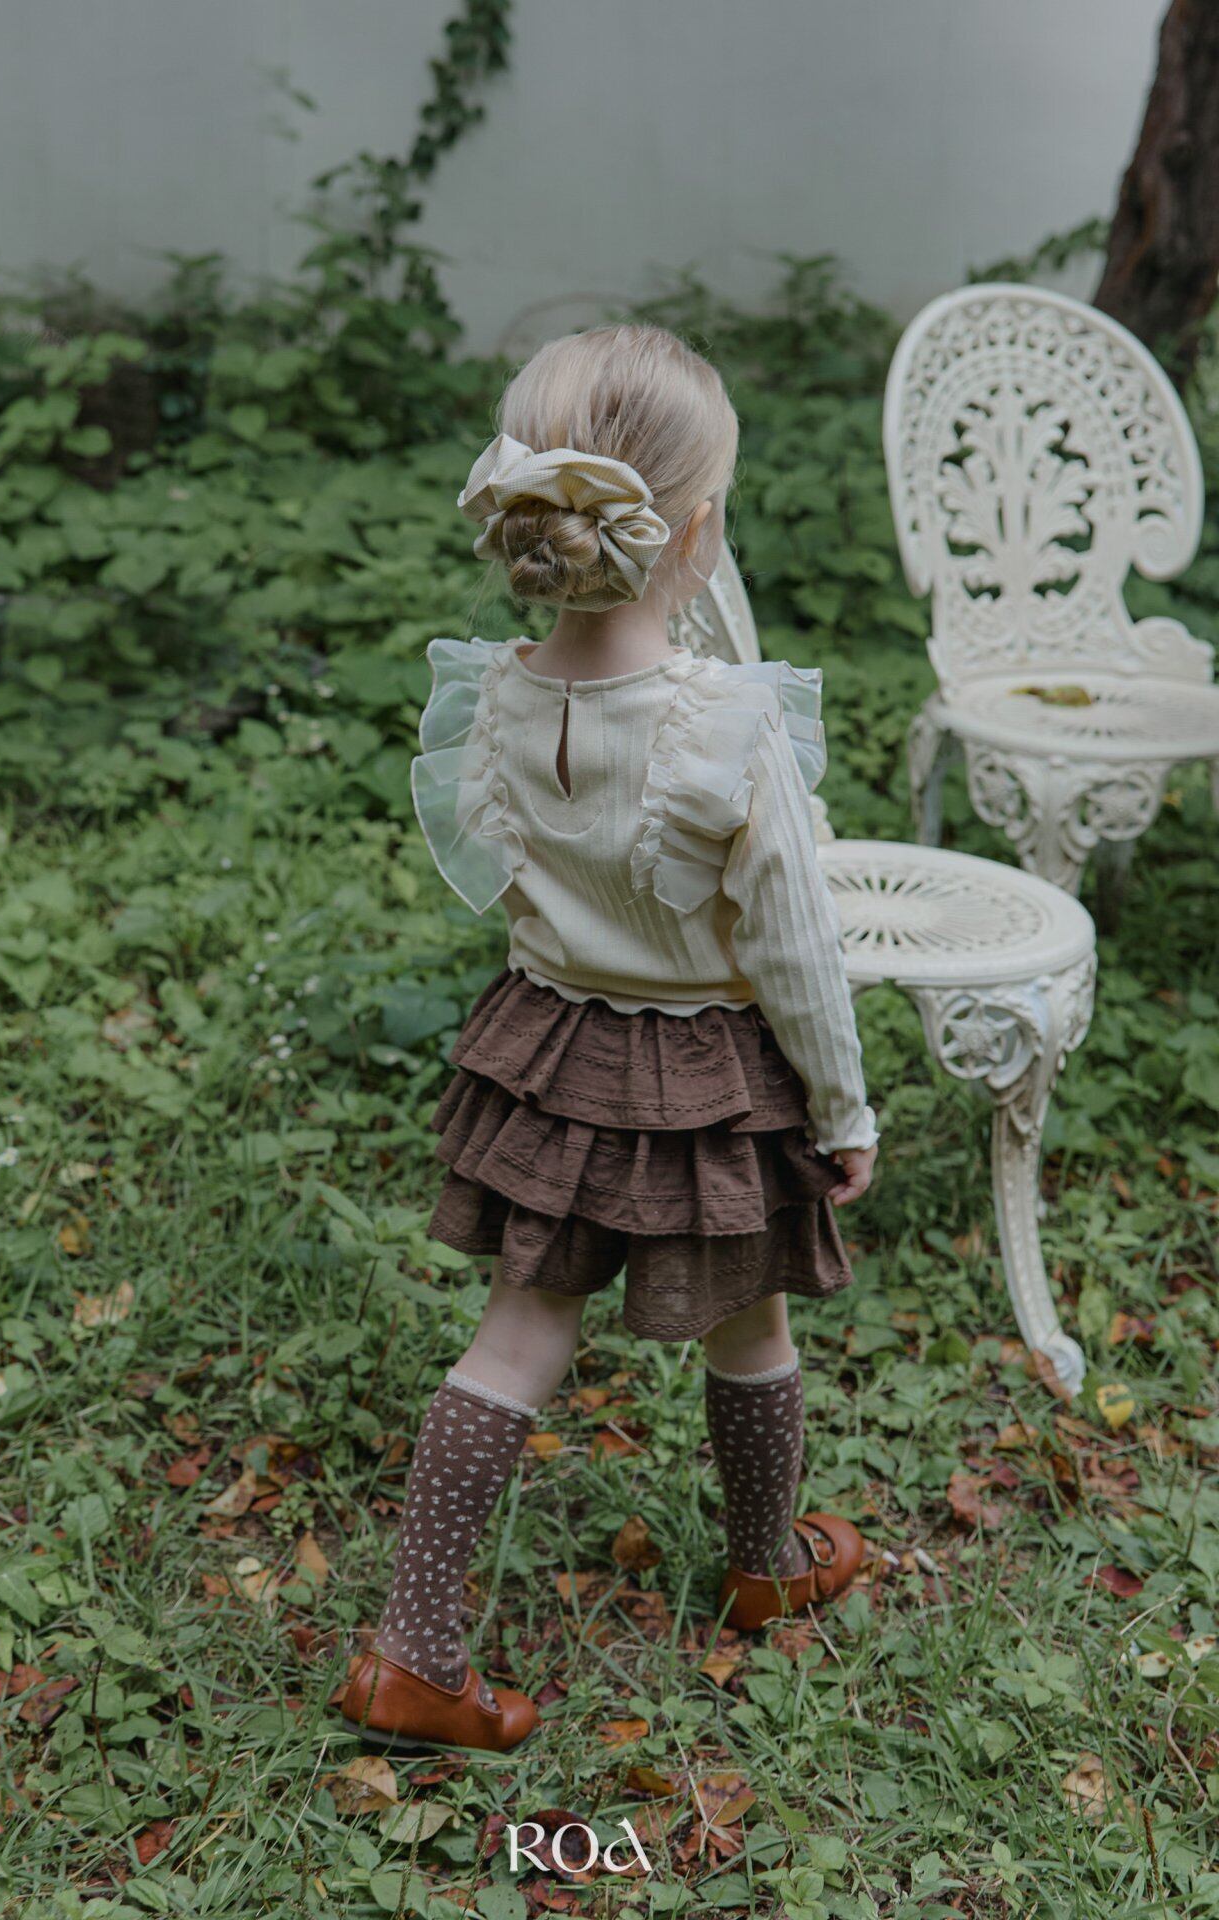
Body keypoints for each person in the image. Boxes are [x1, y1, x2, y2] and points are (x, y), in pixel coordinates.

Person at [342, 324, 879, 1753]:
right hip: (715, 1073)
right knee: (752, 1320)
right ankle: (766, 1564)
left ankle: (411, 1653)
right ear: (695, 532)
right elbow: (797, 947)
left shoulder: (497, 692)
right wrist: (843, 1110)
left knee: (519, 1331)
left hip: (551, 1053)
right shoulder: (728, 728)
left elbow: (503, 874)